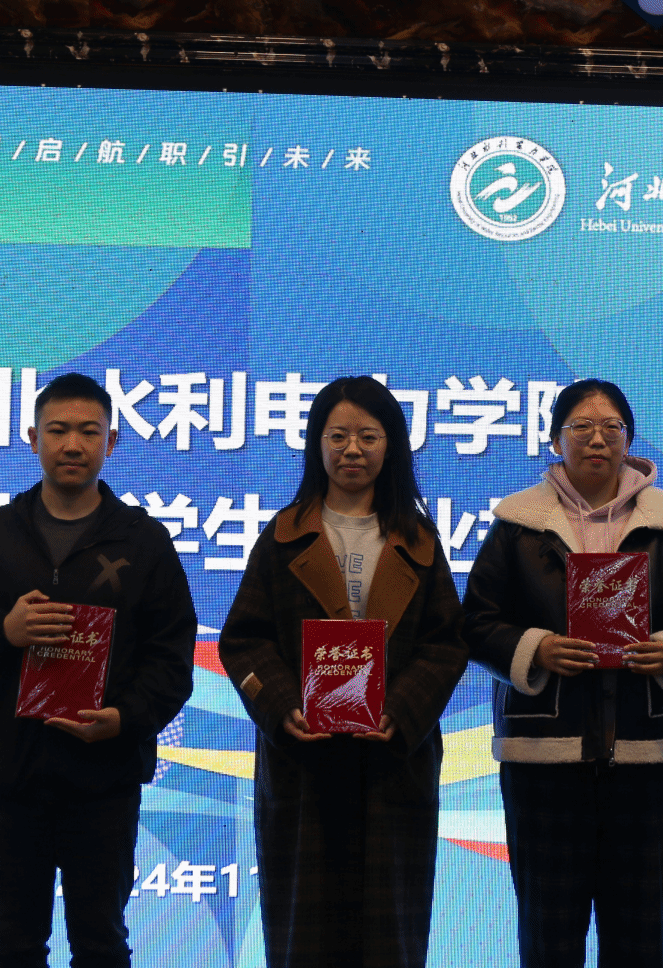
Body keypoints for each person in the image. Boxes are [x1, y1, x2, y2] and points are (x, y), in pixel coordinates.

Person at [0, 371, 198, 968]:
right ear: (33, 439)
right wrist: (3, 632)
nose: (72, 444)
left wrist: (126, 719)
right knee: (14, 946)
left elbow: (172, 656)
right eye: (57, 431)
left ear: (112, 442)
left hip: (103, 777)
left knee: (101, 944)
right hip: (9, 773)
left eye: (88, 431)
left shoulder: (144, 542)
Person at [461, 379, 663, 968]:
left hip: (647, 757)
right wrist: (537, 649)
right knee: (550, 934)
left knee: (639, 936)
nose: (597, 439)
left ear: (629, 440)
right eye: (581, 427)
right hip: (544, 758)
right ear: (555, 440)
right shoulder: (518, 524)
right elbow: (476, 622)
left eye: (611, 428)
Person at [219, 376, 469, 968]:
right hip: (304, 761)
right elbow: (244, 640)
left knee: (391, 936)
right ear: (316, 444)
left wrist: (400, 710)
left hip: (393, 762)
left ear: (391, 445)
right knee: (304, 936)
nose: (352, 449)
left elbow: (447, 644)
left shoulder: (418, 540)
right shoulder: (283, 536)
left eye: (367, 436)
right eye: (337, 436)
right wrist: (284, 706)